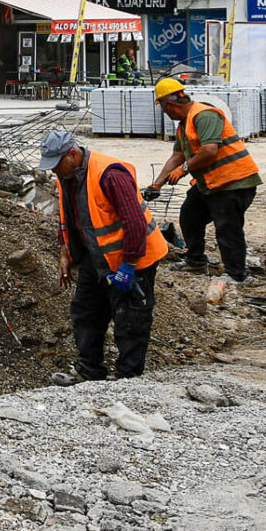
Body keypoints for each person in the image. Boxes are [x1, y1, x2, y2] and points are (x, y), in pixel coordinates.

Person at [36, 128, 168, 385]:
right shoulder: (67, 175)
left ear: (71, 154)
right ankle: (89, 370)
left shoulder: (110, 174)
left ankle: (128, 379)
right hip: (95, 259)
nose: (53, 171)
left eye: (56, 165)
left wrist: (129, 265)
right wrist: (65, 251)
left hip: (135, 257)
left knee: (130, 319)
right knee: (86, 313)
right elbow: (68, 218)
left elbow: (134, 223)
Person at [143, 77, 259, 279]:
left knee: (227, 227)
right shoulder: (184, 125)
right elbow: (177, 156)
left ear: (169, 104)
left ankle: (236, 274)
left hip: (233, 182)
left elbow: (209, 151)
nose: (164, 112)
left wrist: (184, 169)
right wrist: (157, 185)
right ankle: (195, 260)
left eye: (162, 107)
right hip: (210, 183)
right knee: (190, 216)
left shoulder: (204, 116)